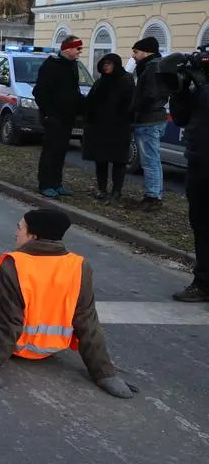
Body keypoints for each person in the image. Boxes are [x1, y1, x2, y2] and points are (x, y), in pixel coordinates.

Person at [0, 208, 135, 398]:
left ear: (33, 236)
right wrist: (105, 374)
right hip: (46, 349)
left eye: (19, 228)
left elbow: (9, 322)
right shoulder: (79, 266)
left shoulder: (15, 264)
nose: (15, 233)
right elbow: (87, 322)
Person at [168, 44, 209, 302]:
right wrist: (180, 91)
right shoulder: (199, 86)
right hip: (199, 161)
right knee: (201, 225)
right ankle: (203, 282)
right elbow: (181, 118)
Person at [33, 35, 85, 198]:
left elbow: (72, 92)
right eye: (78, 48)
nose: (80, 52)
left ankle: (57, 183)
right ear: (68, 49)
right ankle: (45, 184)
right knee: (50, 151)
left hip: (68, 117)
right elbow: (39, 92)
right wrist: (48, 114)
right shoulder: (51, 66)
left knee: (61, 151)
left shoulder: (72, 66)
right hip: (53, 117)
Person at [81, 53, 134, 204]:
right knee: (100, 159)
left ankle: (116, 192)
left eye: (109, 63)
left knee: (118, 161)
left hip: (118, 128)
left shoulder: (125, 81)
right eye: (104, 64)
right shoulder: (101, 82)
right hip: (99, 127)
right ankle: (102, 189)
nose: (106, 66)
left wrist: (123, 120)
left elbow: (130, 104)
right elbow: (91, 101)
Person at [130, 36, 168, 211]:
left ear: (146, 52)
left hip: (148, 119)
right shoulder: (157, 66)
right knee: (153, 160)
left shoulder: (151, 67)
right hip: (155, 118)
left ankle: (152, 197)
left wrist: (135, 107)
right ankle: (154, 195)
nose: (134, 56)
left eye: (136, 52)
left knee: (149, 160)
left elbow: (150, 95)